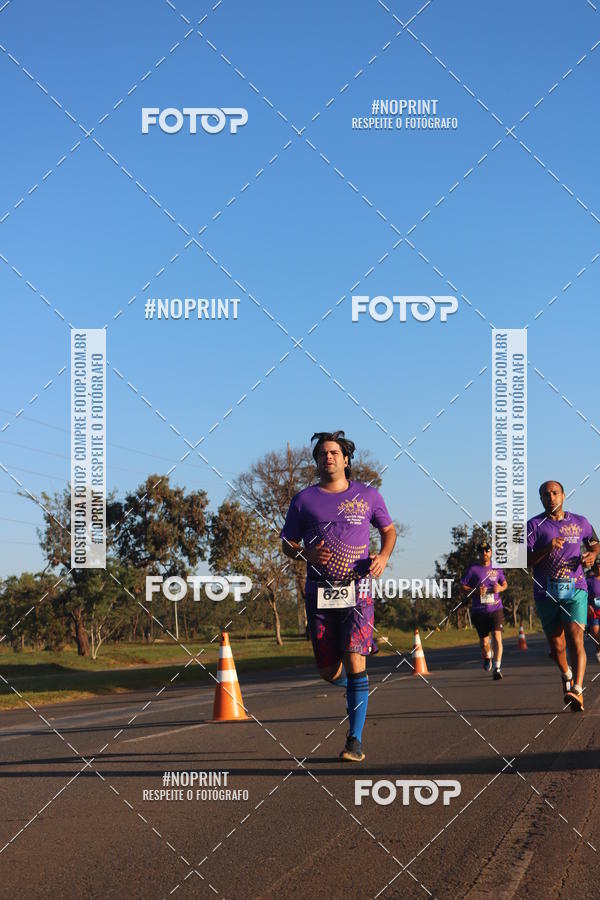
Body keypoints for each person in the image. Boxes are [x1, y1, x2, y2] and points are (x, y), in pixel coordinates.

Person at [281, 430, 396, 762]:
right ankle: (353, 687)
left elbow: (388, 531)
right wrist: (305, 555)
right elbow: (286, 544)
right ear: (316, 461)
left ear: (346, 459)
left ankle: (354, 740)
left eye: (333, 452)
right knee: (328, 670)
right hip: (319, 592)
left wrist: (383, 557)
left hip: (358, 591)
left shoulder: (369, 495)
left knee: (354, 656)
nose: (327, 457)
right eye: (321, 454)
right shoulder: (303, 500)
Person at [527, 480, 600, 711]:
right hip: (545, 592)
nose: (551, 498)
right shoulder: (533, 526)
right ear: (540, 499)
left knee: (575, 637)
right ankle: (566, 674)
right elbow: (525, 561)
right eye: (546, 495)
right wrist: (547, 549)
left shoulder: (581, 522)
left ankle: (577, 690)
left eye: (555, 493)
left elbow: (596, 544)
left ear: (564, 495)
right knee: (557, 646)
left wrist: (591, 555)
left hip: (576, 588)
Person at [461, 541, 507, 680]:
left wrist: (500, 588)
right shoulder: (473, 569)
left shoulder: (497, 568)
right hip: (479, 611)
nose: (484, 553)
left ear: (491, 552)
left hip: (495, 608)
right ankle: (487, 656)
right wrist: (475, 591)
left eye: (487, 550)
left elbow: (504, 583)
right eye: (481, 551)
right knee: (484, 643)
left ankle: (497, 668)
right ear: (478, 554)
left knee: (497, 638)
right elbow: (463, 586)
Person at [586, 557, 600, 664]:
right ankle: (599, 651)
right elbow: (583, 594)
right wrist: (587, 605)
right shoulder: (589, 581)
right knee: (595, 633)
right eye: (597, 566)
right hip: (594, 612)